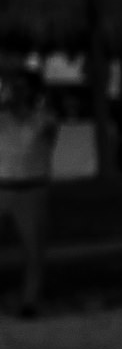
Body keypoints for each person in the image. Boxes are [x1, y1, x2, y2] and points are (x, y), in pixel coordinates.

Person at [0, 68, 58, 319]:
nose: (18, 92)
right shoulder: (3, 117)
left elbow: (46, 133)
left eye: (23, 87)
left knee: (32, 248)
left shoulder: (44, 118)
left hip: (31, 187)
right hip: (3, 185)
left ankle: (29, 301)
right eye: (15, 87)